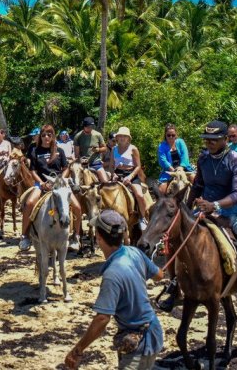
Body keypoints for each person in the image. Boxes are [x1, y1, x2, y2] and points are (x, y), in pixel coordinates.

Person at [161, 120, 237, 323]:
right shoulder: (204, 158)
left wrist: (215, 205)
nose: (209, 143)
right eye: (207, 140)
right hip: (203, 209)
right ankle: (173, 285)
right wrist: (187, 208)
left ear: (225, 139)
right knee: (173, 237)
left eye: (214, 140)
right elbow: (198, 185)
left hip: (233, 213)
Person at [64, 210, 164, 370]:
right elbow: (159, 275)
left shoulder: (112, 274)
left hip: (139, 343)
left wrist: (78, 349)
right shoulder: (134, 252)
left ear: (98, 237)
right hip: (151, 332)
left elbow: (102, 319)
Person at [18, 125, 82, 253]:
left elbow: (65, 169)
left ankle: (76, 236)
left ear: (53, 137)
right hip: (42, 183)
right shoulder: (35, 151)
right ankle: (24, 235)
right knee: (29, 203)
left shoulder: (59, 151)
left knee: (77, 207)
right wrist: (41, 183)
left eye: (49, 135)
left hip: (59, 184)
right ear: (40, 136)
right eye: (44, 135)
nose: (46, 137)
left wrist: (60, 180)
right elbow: (33, 171)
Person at [111, 127, 149, 230]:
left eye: (124, 136)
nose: (122, 138)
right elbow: (111, 165)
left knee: (139, 195)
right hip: (118, 174)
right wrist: (113, 174)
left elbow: (138, 166)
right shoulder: (114, 149)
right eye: (120, 136)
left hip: (131, 174)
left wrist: (130, 176)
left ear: (128, 138)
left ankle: (142, 217)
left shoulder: (133, 149)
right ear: (117, 138)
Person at [156, 123, 195, 195]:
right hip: (169, 171)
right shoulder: (161, 146)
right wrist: (173, 170)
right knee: (161, 190)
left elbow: (185, 155)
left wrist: (181, 167)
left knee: (194, 179)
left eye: (173, 135)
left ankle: (198, 200)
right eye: (168, 135)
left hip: (184, 168)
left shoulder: (181, 142)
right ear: (165, 135)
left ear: (176, 135)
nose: (171, 137)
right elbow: (163, 160)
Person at [75, 116, 109, 183]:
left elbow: (105, 148)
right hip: (83, 164)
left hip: (96, 163)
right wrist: (80, 159)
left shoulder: (98, 135)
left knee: (105, 181)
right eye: (88, 127)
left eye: (91, 126)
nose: (90, 128)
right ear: (84, 126)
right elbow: (76, 154)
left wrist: (98, 150)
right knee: (76, 182)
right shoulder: (78, 136)